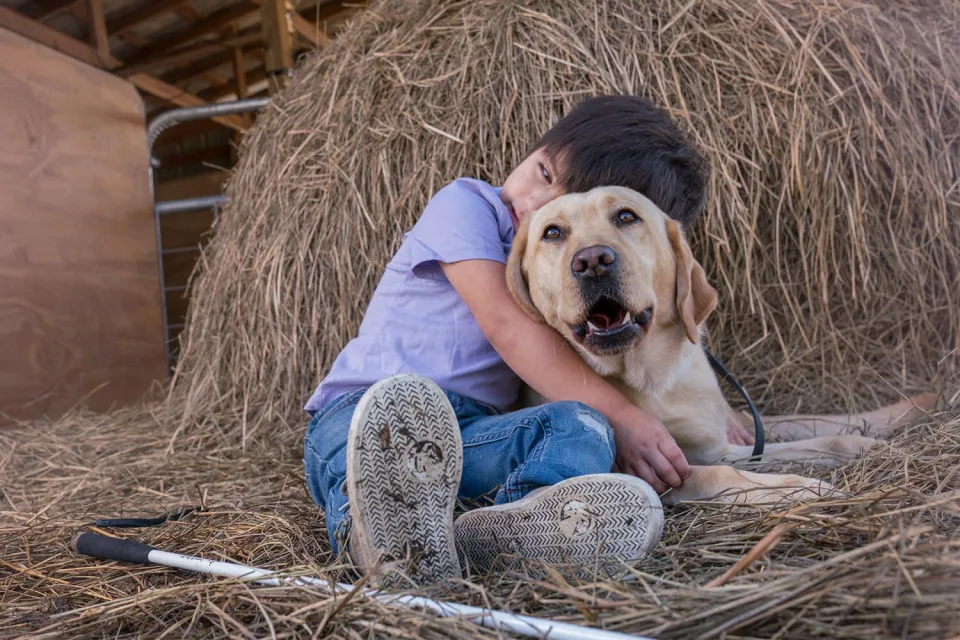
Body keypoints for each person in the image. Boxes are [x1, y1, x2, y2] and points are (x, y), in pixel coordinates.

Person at [303, 95, 732, 583]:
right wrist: (627, 418)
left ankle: (500, 530)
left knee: (582, 430)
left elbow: (654, 306)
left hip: (468, 433)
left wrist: (712, 412)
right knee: (373, 476)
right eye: (544, 174)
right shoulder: (467, 206)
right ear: (535, 149)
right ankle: (376, 545)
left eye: (562, 207)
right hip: (365, 416)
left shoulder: (553, 269)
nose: (532, 205)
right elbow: (509, 329)